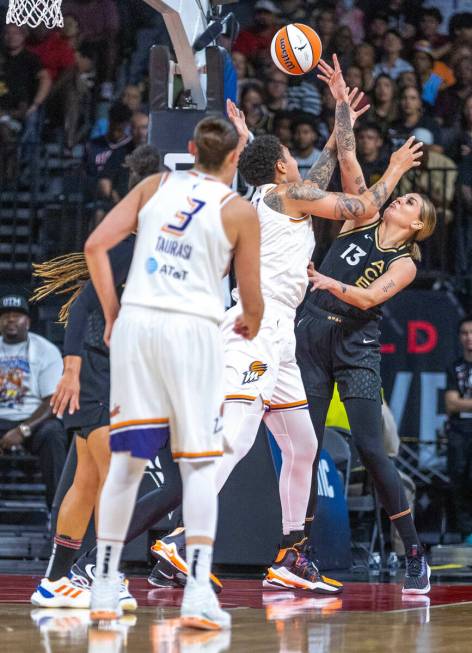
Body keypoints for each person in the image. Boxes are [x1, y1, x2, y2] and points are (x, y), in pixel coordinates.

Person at [146, 85, 421, 592]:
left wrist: (341, 109)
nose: (299, 160)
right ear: (279, 169)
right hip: (256, 329)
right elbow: (360, 203)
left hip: (282, 337)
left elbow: (323, 167)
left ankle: (293, 556)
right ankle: (180, 540)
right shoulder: (290, 196)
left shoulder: (277, 194)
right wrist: (397, 169)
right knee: (235, 439)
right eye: (290, 155)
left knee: (302, 444)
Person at [85, 115, 264, 629]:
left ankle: (102, 585)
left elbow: (96, 245)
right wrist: (249, 324)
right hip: (192, 332)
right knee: (198, 466)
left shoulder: (153, 184)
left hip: (138, 326)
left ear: (189, 150)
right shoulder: (237, 210)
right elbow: (251, 303)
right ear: (234, 159)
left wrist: (115, 314)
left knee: (128, 464)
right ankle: (196, 596)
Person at [296, 56, 436, 595]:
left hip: (357, 345)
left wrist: (331, 283)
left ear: (417, 224)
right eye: (403, 193)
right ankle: (299, 552)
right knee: (304, 446)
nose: (401, 197)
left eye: (410, 201)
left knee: (373, 450)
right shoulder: (361, 217)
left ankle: (414, 551)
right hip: (310, 333)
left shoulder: (407, 263)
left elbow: (372, 296)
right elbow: (350, 161)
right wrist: (339, 106)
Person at [29, 145, 162, 611]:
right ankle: (105, 577)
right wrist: (71, 368)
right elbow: (83, 304)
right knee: (112, 477)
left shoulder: (151, 248)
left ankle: (54, 582)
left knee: (86, 480)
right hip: (100, 370)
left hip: (109, 370)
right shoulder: (128, 247)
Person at [0, 294, 67, 512]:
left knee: (54, 432)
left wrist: (22, 430)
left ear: (28, 322)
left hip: (32, 420)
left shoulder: (45, 350)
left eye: (17, 315)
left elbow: (52, 402)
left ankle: (57, 515)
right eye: (5, 315)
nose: (11, 319)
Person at [445, 315, 472, 544]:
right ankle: (466, 534)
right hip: (459, 431)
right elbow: (451, 403)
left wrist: (462, 402)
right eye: (464, 333)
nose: (469, 338)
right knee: (459, 479)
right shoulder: (455, 366)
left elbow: (457, 401)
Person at [291, 114, 322, 180]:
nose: (301, 136)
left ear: (314, 135)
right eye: (297, 132)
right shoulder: (290, 158)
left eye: (305, 132)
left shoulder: (321, 159)